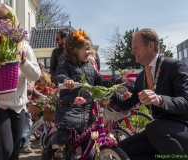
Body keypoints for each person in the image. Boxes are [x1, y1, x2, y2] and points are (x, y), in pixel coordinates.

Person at [42, 29, 132, 160]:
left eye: (90, 49)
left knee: (88, 145)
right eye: (87, 49)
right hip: (69, 108)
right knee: (63, 137)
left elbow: (101, 80)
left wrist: (119, 80)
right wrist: (65, 80)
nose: (90, 52)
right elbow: (59, 74)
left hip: (85, 110)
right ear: (74, 49)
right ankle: (49, 148)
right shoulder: (65, 61)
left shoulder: (89, 67)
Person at [111, 28, 188, 160]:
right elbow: (127, 104)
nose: (132, 51)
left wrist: (160, 100)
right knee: (120, 150)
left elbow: (185, 102)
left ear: (150, 45)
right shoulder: (141, 77)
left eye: (136, 47)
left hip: (181, 128)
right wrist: (106, 91)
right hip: (160, 132)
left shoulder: (174, 66)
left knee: (153, 126)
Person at [0, 3, 41, 160]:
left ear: (13, 20)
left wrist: (23, 62)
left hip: (18, 104)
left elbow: (36, 75)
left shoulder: (23, 46)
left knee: (14, 153)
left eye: (5, 18)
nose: (1, 21)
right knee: (5, 150)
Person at [20, 81, 43, 153]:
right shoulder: (20, 82)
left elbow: (35, 92)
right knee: (22, 127)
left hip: (26, 108)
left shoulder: (28, 82)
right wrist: (24, 101)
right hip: (19, 108)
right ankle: (21, 145)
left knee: (28, 126)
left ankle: (25, 145)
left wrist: (46, 98)